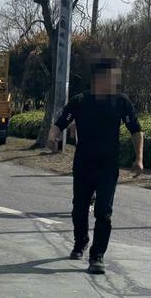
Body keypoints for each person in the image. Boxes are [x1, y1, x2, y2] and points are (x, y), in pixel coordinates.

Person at [49, 57, 144, 275]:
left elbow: (136, 131)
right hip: (83, 164)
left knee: (103, 212)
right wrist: (52, 137)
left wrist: (139, 159)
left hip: (108, 166)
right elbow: (60, 123)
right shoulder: (80, 101)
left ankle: (97, 255)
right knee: (79, 210)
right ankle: (80, 241)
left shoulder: (121, 102)